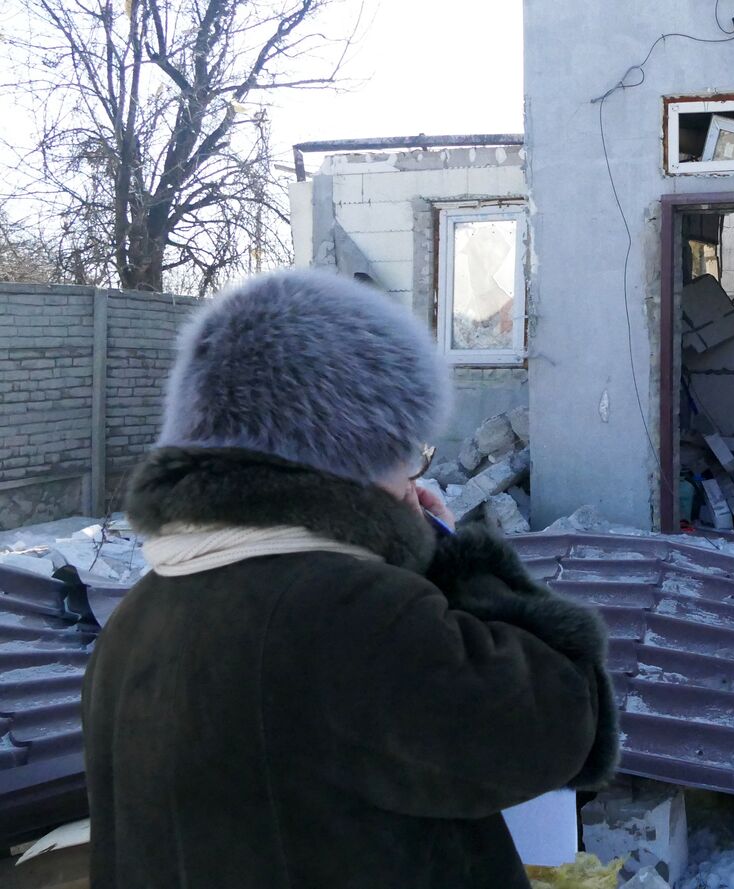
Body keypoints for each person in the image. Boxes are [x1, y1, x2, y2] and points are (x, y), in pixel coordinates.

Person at [82, 270, 617, 889]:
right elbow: (560, 720)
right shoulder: (351, 616)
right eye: (409, 453)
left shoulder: (136, 619)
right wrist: (452, 561)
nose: (415, 480)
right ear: (350, 454)